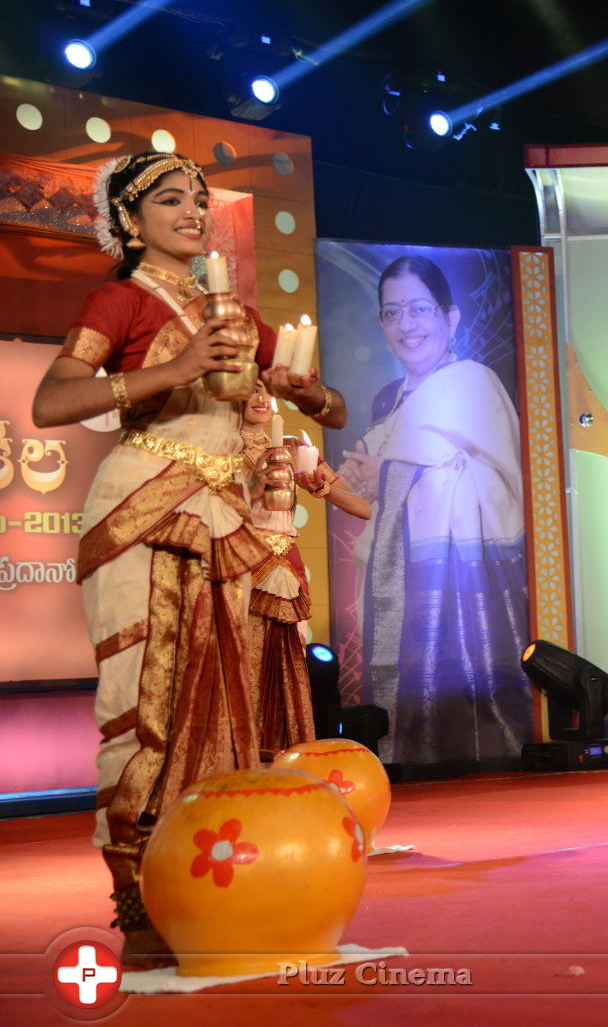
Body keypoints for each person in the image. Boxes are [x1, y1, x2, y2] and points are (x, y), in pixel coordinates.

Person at [30, 151, 349, 964]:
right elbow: (52, 398)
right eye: (171, 200)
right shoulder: (119, 298)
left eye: (201, 201)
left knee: (224, 696)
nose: (194, 212)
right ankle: (137, 897)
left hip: (226, 522)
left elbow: (332, 406)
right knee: (145, 700)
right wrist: (174, 369)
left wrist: (303, 389)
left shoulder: (234, 313)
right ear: (130, 222)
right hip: (144, 506)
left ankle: (213, 885)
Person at [338, 255, 531, 766]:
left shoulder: (472, 382)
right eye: (392, 312)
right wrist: (339, 485)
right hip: (397, 576)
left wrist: (393, 475)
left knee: (462, 712)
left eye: (419, 309)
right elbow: (381, 513)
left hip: (461, 581)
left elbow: (500, 486)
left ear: (450, 318)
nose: (405, 325)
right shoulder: (389, 401)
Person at [240, 382, 370, 755]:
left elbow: (363, 508)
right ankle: (243, 754)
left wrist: (321, 488)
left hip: (287, 566)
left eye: (266, 391)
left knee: (288, 659)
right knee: (244, 659)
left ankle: (287, 751)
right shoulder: (223, 452)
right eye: (251, 391)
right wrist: (254, 486)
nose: (262, 399)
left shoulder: (293, 449)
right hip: (244, 561)